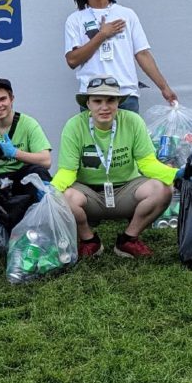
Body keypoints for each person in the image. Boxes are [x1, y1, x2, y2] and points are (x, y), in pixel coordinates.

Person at [51, 76, 178, 259]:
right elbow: (68, 171)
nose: (104, 107)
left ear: (118, 102)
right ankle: (89, 241)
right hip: (89, 194)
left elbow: (147, 163)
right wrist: (51, 189)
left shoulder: (133, 121)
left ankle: (128, 240)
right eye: (97, 101)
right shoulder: (73, 126)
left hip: (127, 190)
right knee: (64, 197)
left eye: (111, 100)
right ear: (88, 103)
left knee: (163, 190)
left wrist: (176, 174)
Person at [64, 0, 176, 113]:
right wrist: (102, 35)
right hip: (93, 97)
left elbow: (142, 54)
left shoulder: (127, 15)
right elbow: (72, 60)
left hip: (125, 95)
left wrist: (165, 88)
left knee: (129, 138)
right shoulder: (75, 19)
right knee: (93, 138)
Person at [0, 77, 53, 229]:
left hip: (23, 176)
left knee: (39, 174)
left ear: (12, 99)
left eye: (3, 99)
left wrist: (15, 152)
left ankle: (44, 226)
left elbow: (46, 161)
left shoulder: (28, 123)